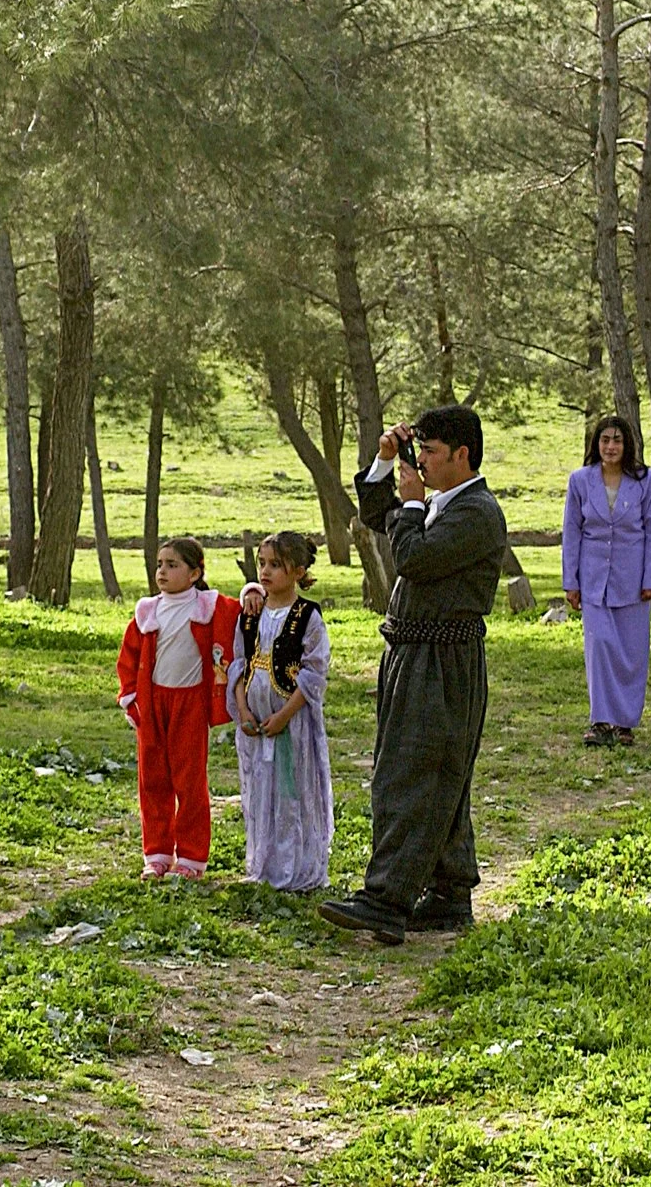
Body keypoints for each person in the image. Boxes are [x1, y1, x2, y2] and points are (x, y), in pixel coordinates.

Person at [320, 404, 507, 945]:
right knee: (438, 773)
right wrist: (384, 465)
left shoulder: (476, 512)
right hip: (414, 651)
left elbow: (412, 558)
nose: (420, 461)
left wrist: (411, 503)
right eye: (417, 450)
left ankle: (386, 899)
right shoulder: (440, 501)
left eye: (430, 452)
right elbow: (384, 520)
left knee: (412, 775)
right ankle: (449, 895)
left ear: (463, 455)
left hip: (442, 660)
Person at [117, 536, 237, 879]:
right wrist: (131, 699)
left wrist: (251, 592)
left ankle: (191, 859)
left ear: (195, 573)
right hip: (153, 703)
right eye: (160, 564)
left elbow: (242, 611)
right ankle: (156, 854)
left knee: (190, 781)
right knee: (153, 779)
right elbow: (129, 659)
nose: (163, 572)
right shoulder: (147, 611)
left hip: (191, 705)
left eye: (173, 565)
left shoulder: (209, 606)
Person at [231, 531, 333, 893]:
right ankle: (265, 865)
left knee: (292, 792)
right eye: (262, 564)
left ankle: (297, 869)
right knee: (262, 792)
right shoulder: (250, 614)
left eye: (276, 565)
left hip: (292, 726)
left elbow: (313, 672)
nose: (265, 572)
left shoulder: (307, 616)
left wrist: (285, 716)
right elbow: (239, 664)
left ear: (298, 570)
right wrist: (243, 708)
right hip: (257, 726)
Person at [560, 413, 651, 748]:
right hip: (593, 580)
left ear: (627, 444)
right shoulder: (580, 481)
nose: (610, 447)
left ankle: (625, 723)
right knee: (600, 647)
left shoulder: (647, 481)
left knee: (631, 654)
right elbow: (572, 531)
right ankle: (600, 720)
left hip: (632, 580)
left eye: (617, 440)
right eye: (604, 440)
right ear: (596, 444)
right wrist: (570, 582)